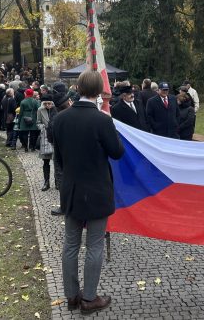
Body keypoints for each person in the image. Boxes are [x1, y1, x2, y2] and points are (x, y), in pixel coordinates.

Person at [51, 70, 124, 314]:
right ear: (99, 91)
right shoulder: (102, 120)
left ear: (79, 89)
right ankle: (90, 298)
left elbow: (59, 160)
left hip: (71, 190)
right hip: (97, 191)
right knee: (94, 245)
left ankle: (72, 296)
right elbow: (117, 152)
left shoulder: (59, 120)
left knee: (70, 245)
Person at [36, 93, 57, 191]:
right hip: (45, 138)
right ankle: (46, 182)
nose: (48, 106)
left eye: (49, 104)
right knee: (46, 161)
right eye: (46, 104)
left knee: (57, 161)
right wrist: (42, 127)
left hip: (55, 138)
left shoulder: (56, 109)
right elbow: (38, 122)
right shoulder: (40, 110)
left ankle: (57, 181)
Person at [18, 88, 40, 152]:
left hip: (24, 119)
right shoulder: (35, 101)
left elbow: (21, 112)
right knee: (33, 134)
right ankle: (32, 147)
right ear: (32, 93)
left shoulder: (23, 101)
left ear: (26, 93)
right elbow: (39, 109)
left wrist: (19, 122)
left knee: (24, 134)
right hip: (33, 118)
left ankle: (26, 148)